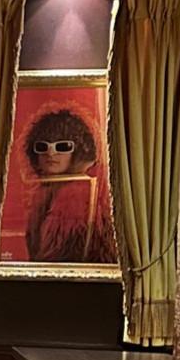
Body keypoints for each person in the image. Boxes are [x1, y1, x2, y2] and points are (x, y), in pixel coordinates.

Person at [21, 108, 117, 263]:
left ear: (79, 151)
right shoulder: (46, 190)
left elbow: (58, 260)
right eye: (42, 146)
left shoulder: (76, 193)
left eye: (62, 146)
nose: (50, 153)